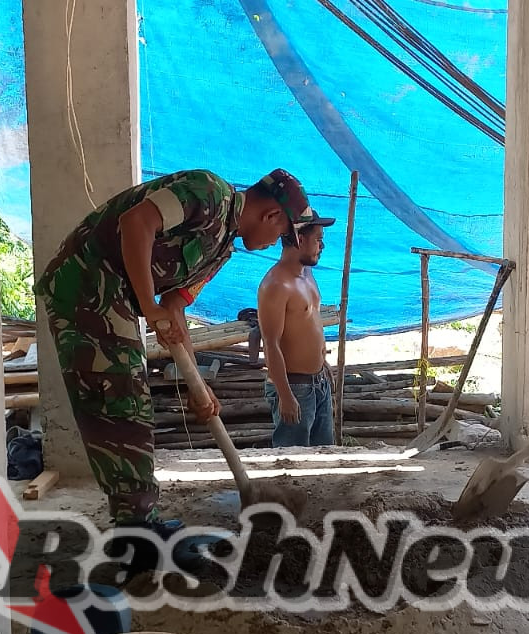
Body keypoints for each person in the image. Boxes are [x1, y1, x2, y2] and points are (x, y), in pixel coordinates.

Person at [36, 168, 321, 535]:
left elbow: (174, 307)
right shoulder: (208, 193)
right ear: (271, 215)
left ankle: (135, 520)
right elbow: (136, 221)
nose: (274, 244)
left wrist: (197, 386)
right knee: (120, 398)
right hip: (86, 282)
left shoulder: (220, 252)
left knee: (128, 399)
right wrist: (146, 304)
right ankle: (136, 531)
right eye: (280, 234)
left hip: (115, 296)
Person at [256, 215, 338, 447]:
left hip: (317, 382)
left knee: (324, 454)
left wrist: (321, 362)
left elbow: (309, 321)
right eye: (318, 240)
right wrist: (285, 395)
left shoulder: (307, 274)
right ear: (299, 239)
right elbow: (270, 344)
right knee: (292, 461)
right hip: (294, 387)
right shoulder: (275, 285)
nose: (322, 246)